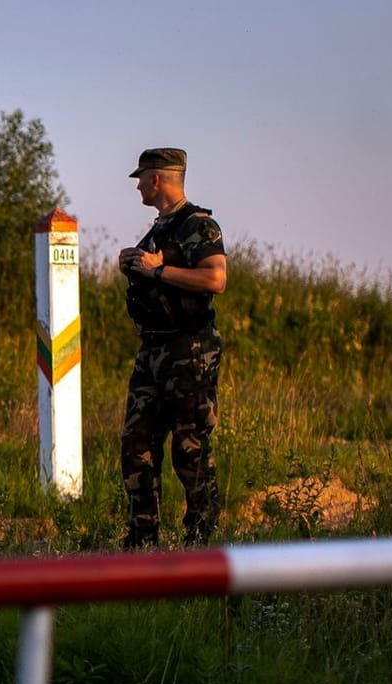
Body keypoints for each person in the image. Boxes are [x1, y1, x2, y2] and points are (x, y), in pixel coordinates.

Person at [117, 147, 229, 548]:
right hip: (153, 350)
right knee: (137, 443)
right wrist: (132, 262)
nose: (138, 187)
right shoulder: (159, 228)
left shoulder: (198, 225)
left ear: (158, 180)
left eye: (141, 179)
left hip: (189, 351)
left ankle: (201, 541)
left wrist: (158, 270)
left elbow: (215, 278)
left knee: (191, 448)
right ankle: (142, 540)